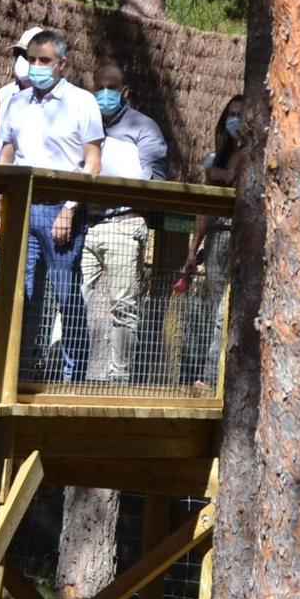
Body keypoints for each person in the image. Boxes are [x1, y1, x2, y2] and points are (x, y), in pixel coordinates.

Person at [0, 30, 103, 386]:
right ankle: (17, 373)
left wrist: (70, 208)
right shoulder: (16, 101)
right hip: (21, 206)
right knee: (17, 292)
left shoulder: (82, 101)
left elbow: (92, 163)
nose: (37, 66)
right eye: (32, 59)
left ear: (63, 63)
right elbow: (7, 157)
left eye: (45, 60)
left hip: (61, 209)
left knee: (66, 294)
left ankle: (74, 379)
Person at [80, 63, 168, 384]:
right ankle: (65, 369)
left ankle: (119, 376)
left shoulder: (144, 128)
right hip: (86, 225)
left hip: (125, 224)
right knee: (72, 298)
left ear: (125, 92)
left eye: (111, 89)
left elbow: (156, 178)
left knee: (123, 306)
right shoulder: (84, 122)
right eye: (99, 88)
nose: (104, 95)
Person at [176, 94, 245, 388]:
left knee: (226, 312)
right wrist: (193, 251)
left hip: (241, 239)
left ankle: (212, 379)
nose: (235, 120)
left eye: (241, 114)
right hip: (216, 240)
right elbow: (204, 209)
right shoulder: (218, 155)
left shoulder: (259, 155)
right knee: (219, 309)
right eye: (231, 114)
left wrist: (229, 174)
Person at [0, 27, 45, 315]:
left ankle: (20, 357)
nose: (23, 61)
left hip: (34, 204)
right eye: (20, 54)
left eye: (30, 56)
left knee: (26, 288)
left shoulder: (55, 101)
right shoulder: (1, 96)